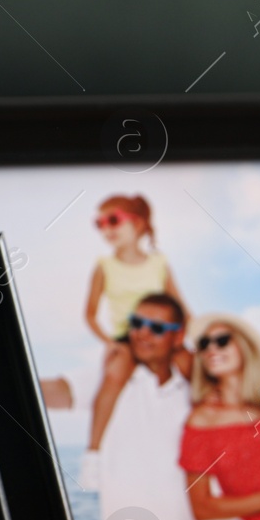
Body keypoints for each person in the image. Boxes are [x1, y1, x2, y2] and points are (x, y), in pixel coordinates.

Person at [80, 195, 190, 491]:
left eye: (113, 220)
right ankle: (93, 455)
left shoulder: (159, 263)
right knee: (113, 376)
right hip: (127, 339)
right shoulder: (104, 266)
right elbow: (89, 314)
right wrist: (109, 343)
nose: (106, 228)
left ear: (138, 223)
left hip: (163, 336)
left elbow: (181, 307)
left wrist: (181, 342)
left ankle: (208, 444)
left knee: (193, 370)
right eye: (99, 223)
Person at [96, 294, 213, 520]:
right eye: (136, 324)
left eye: (157, 328)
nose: (142, 334)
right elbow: (56, 390)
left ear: (179, 336)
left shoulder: (196, 387)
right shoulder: (112, 372)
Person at [180, 314, 260, 520]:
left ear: (244, 347)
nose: (212, 349)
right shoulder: (201, 421)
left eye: (222, 340)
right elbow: (201, 508)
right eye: (204, 344)